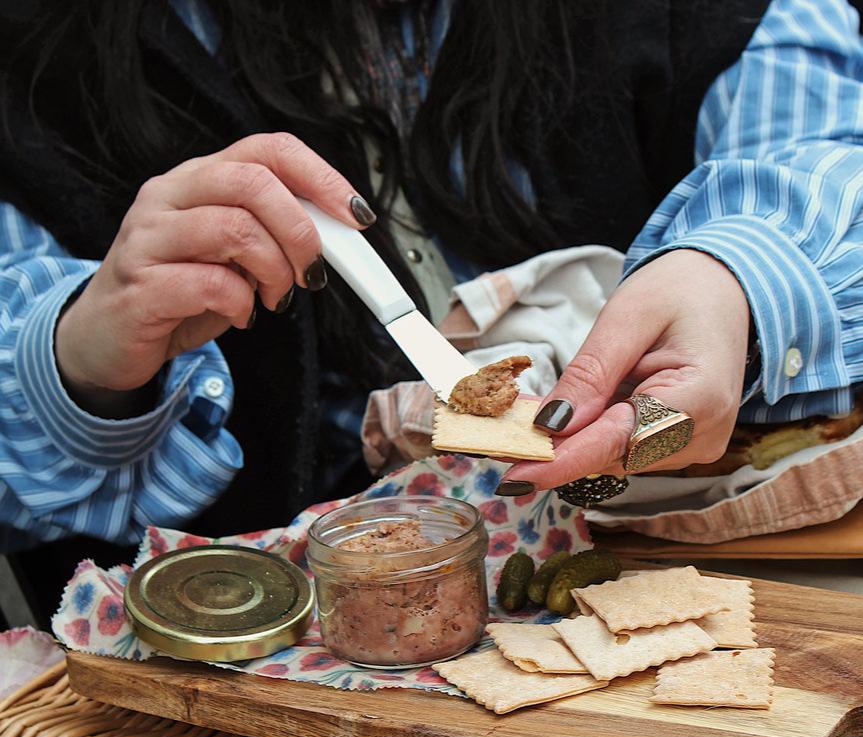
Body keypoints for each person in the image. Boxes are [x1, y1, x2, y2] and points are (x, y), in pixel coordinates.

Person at [1, 0, 862, 597]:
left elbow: (826, 147)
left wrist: (735, 276)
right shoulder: (33, 65)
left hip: (707, 569)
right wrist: (80, 363)